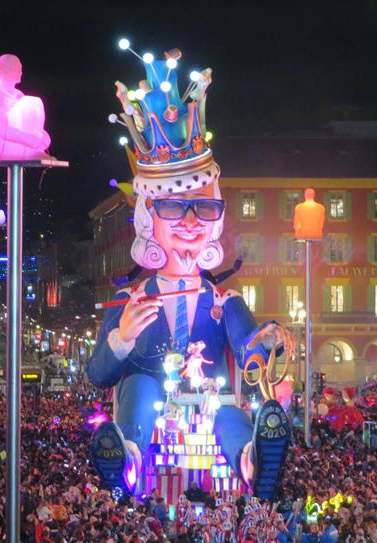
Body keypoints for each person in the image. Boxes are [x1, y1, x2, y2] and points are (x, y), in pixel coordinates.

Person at [87, 47, 292, 501]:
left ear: (216, 219)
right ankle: (129, 456)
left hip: (208, 403)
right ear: (149, 219)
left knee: (231, 416)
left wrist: (269, 341)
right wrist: (120, 338)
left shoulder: (225, 301)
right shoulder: (130, 302)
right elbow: (98, 374)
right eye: (175, 207)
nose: (191, 221)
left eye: (204, 207)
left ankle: (252, 460)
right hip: (151, 408)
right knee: (137, 389)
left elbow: (248, 348)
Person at [0, 54, 51, 161]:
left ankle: (32, 149)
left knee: (34, 101)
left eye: (20, 67)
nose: (20, 71)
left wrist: (41, 136)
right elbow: (3, 130)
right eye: (15, 67)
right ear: (2, 69)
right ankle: (30, 151)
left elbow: (25, 124)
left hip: (20, 141)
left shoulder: (19, 95)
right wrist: (32, 140)